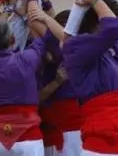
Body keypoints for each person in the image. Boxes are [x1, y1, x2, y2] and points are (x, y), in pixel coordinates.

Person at [37, 0, 118, 155]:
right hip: (104, 141)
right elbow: (113, 27)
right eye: (116, 16)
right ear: (97, 21)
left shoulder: (116, 49)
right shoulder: (76, 50)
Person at [0, 0, 47, 156]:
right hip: (28, 139)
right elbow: (40, 39)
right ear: (13, 39)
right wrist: (30, 5)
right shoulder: (26, 59)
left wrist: (8, 9)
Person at [36, 10, 83, 156]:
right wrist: (57, 82)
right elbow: (36, 98)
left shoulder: (84, 54)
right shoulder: (46, 60)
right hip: (58, 129)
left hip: (84, 125)